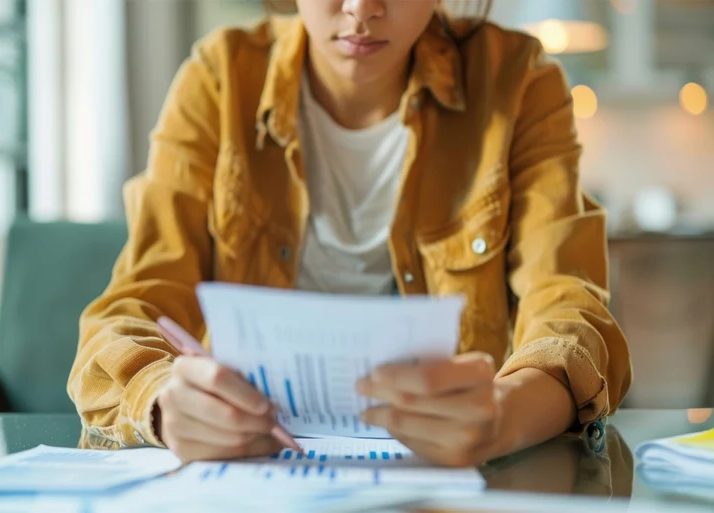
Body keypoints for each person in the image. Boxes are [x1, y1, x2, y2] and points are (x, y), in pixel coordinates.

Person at [68, 0, 632, 467]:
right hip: (253, 472)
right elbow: (128, 311)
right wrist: (165, 402)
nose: (361, 9)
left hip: (439, 480)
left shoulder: (517, 82)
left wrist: (502, 415)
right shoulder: (220, 80)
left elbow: (569, 308)